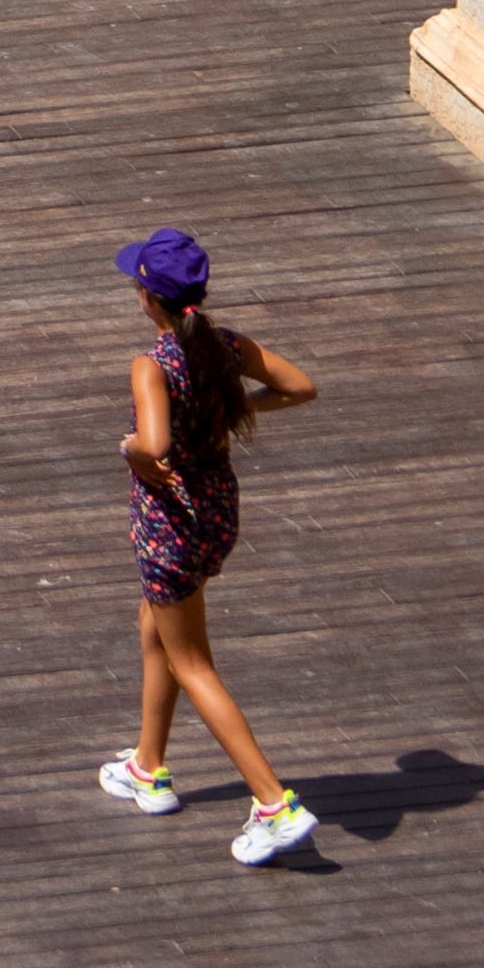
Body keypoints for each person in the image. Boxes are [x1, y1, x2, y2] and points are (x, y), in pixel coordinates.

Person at [100, 227, 317, 859]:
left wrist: (131, 450)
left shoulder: (151, 365)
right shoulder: (227, 347)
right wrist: (233, 409)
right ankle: (147, 767)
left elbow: (155, 444)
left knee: (193, 664)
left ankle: (274, 804)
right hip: (216, 515)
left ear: (147, 297)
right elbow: (299, 386)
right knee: (155, 627)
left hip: (169, 527)